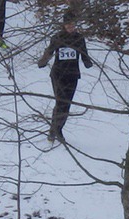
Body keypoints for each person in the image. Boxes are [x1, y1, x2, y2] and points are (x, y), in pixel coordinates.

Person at [38, 12, 93, 143]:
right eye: (68, 24)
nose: (70, 27)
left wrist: (88, 63)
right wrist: (43, 61)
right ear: (63, 25)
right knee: (60, 102)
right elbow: (49, 51)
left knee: (67, 104)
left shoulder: (79, 38)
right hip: (58, 75)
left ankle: (58, 128)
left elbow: (84, 53)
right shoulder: (57, 37)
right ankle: (54, 131)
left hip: (73, 75)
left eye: (72, 24)